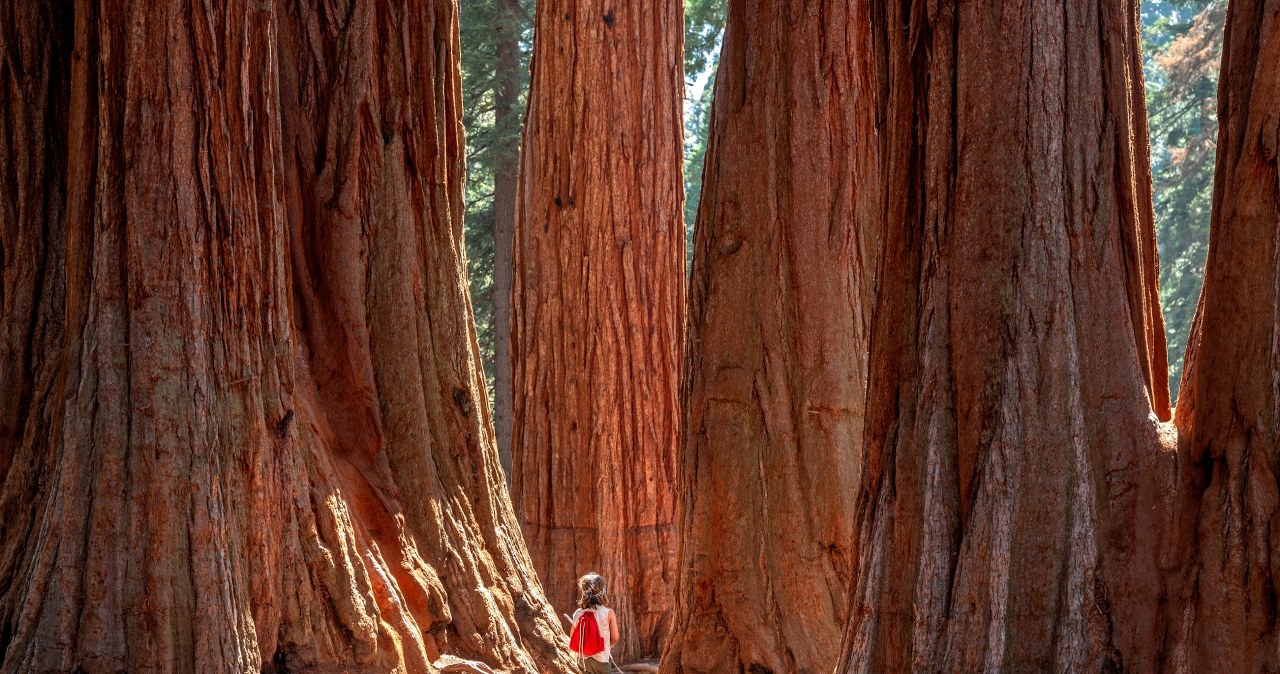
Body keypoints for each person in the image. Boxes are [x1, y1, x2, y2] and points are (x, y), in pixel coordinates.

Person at [569, 573, 619, 673]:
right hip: (602, 660)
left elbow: (573, 637)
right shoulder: (608, 613)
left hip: (583, 661)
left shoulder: (578, 613)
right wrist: (607, 647)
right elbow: (615, 637)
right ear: (603, 591)